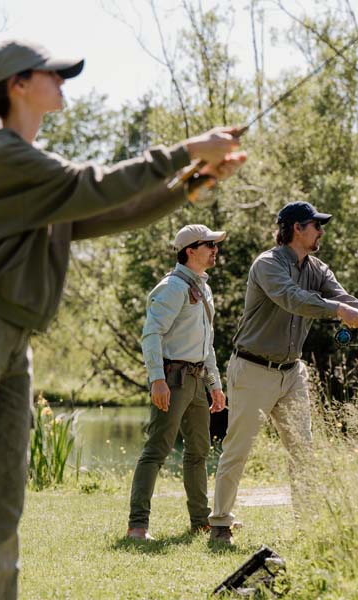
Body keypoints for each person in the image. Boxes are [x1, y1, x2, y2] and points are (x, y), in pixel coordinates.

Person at [0, 39, 246, 600]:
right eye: (53, 74)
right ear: (18, 85)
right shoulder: (3, 158)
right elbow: (96, 184)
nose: (63, 82)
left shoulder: (35, 178)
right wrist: (186, 149)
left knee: (0, 509)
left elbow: (113, 211)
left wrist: (192, 184)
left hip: (12, 344)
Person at [207, 201, 358, 546]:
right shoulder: (268, 265)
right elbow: (293, 299)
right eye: (316, 225)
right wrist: (338, 310)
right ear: (296, 229)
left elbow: (344, 298)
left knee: (302, 450)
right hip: (253, 368)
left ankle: (308, 527)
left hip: (292, 373)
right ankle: (219, 525)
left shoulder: (317, 268)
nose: (321, 231)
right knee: (238, 449)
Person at [126, 224, 228, 541]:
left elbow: (206, 343)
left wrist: (215, 383)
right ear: (189, 250)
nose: (215, 250)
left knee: (198, 451)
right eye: (208, 245)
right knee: (156, 450)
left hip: (198, 379)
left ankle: (201, 521)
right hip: (173, 378)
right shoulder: (173, 288)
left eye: (215, 245)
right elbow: (151, 334)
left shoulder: (202, 287)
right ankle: (137, 527)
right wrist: (157, 379)